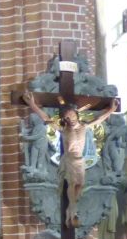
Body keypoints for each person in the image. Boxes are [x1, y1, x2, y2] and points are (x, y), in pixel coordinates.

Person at [23, 91, 118, 227]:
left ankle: (70, 209)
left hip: (80, 161)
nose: (70, 119)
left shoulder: (84, 127)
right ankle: (73, 211)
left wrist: (111, 109)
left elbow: (99, 119)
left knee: (80, 185)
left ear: (77, 115)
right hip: (69, 159)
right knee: (73, 184)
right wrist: (32, 104)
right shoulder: (64, 129)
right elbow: (45, 117)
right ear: (64, 119)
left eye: (72, 115)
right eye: (67, 117)